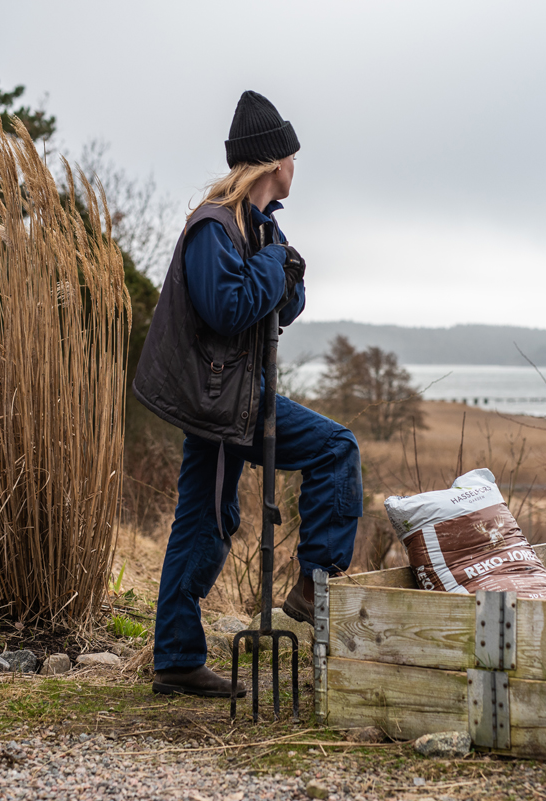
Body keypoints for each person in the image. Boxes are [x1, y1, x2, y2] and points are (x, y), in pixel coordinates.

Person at [133, 90, 362, 698]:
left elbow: (281, 308)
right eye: (292, 155)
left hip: (240, 395)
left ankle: (307, 588)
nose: (296, 167)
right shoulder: (213, 225)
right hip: (217, 403)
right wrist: (273, 267)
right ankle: (182, 657)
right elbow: (228, 306)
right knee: (209, 520)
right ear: (272, 163)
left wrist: (286, 274)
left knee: (225, 510)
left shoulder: (260, 228)